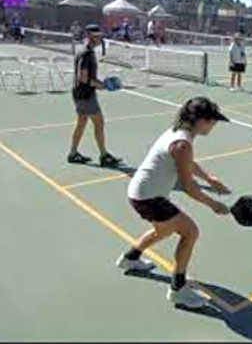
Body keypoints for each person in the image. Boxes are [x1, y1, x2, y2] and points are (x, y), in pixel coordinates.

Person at [117, 97, 231, 308]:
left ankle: (130, 258)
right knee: (190, 232)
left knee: (163, 230)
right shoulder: (182, 143)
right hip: (148, 197)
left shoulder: (178, 133)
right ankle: (178, 289)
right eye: (212, 120)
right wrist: (214, 205)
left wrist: (209, 179)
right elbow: (188, 187)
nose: (214, 125)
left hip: (143, 192)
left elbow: (188, 163)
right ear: (199, 120)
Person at [67, 24, 122, 167]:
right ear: (91, 37)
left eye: (100, 36)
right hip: (85, 95)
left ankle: (73, 153)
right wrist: (102, 85)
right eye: (97, 37)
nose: (100, 39)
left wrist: (99, 84)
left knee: (81, 123)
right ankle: (104, 156)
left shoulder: (83, 52)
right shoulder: (87, 54)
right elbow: (83, 77)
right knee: (99, 122)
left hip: (79, 93)